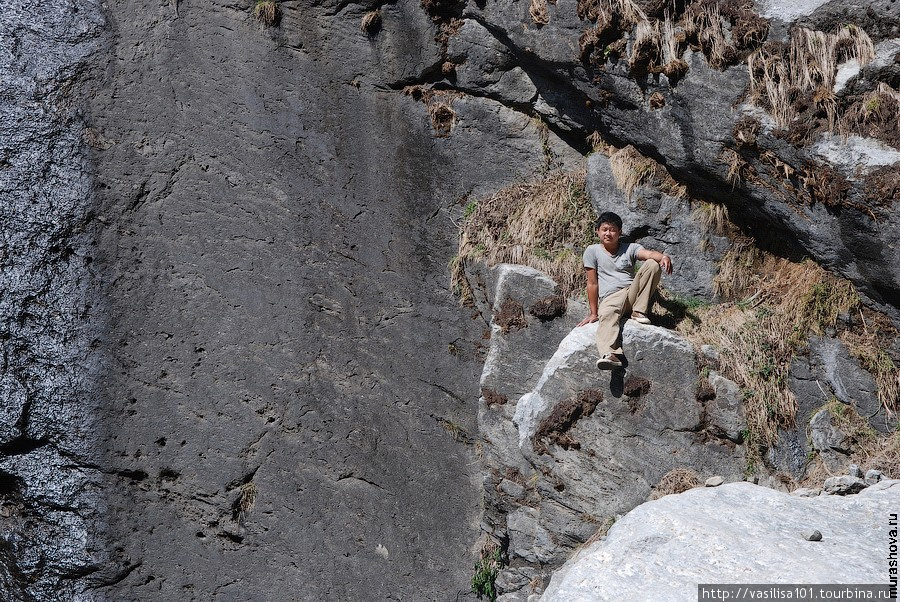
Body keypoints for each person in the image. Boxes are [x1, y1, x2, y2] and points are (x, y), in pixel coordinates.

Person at [577, 211, 673, 370]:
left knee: (652, 264)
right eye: (604, 229)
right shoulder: (592, 251)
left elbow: (649, 254)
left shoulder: (630, 248)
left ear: (620, 232)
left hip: (631, 294)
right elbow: (592, 284)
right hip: (610, 298)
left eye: (613, 230)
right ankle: (611, 355)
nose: (608, 233)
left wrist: (663, 257)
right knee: (607, 314)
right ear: (598, 231)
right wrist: (594, 313)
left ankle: (639, 311)